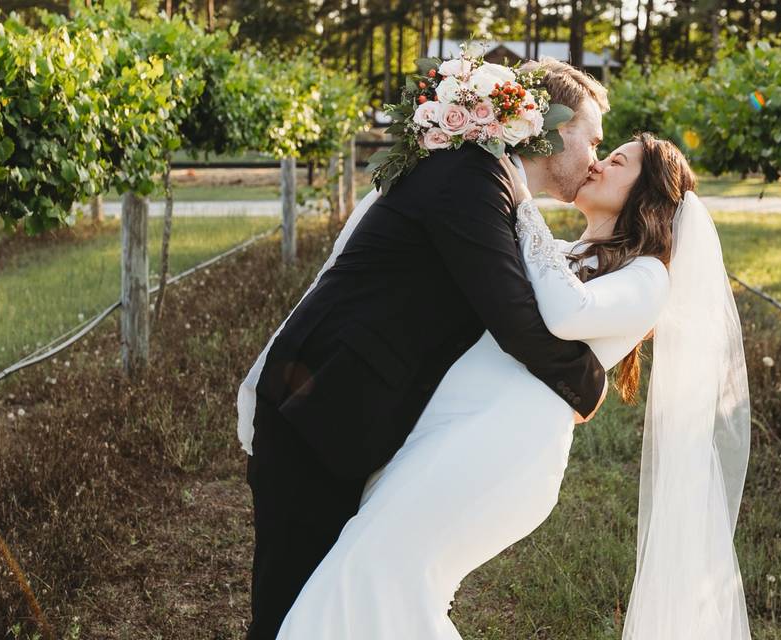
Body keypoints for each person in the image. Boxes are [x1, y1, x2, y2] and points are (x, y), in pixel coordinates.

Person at [274, 132, 753, 639]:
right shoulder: (566, 253)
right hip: (452, 430)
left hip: (502, 447)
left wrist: (524, 205)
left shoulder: (649, 277)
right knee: (383, 578)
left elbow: (568, 312)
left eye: (617, 161)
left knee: (370, 571)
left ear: (649, 193)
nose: (599, 164)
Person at [237, 58, 612, 640]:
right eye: (593, 140)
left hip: (347, 410)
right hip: (312, 406)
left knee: (329, 610)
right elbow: (510, 313)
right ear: (556, 128)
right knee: (289, 611)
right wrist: (588, 383)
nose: (595, 158)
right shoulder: (470, 175)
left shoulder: (491, 186)